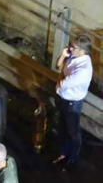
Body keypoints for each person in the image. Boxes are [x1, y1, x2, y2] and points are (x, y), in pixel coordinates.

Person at [54, 35, 93, 170]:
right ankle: (63, 154)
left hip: (72, 103)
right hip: (64, 99)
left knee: (72, 131)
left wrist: (60, 73)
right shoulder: (74, 56)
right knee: (63, 128)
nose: (70, 48)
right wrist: (63, 57)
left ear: (82, 51)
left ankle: (72, 159)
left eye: (74, 47)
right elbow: (58, 66)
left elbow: (61, 84)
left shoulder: (83, 70)